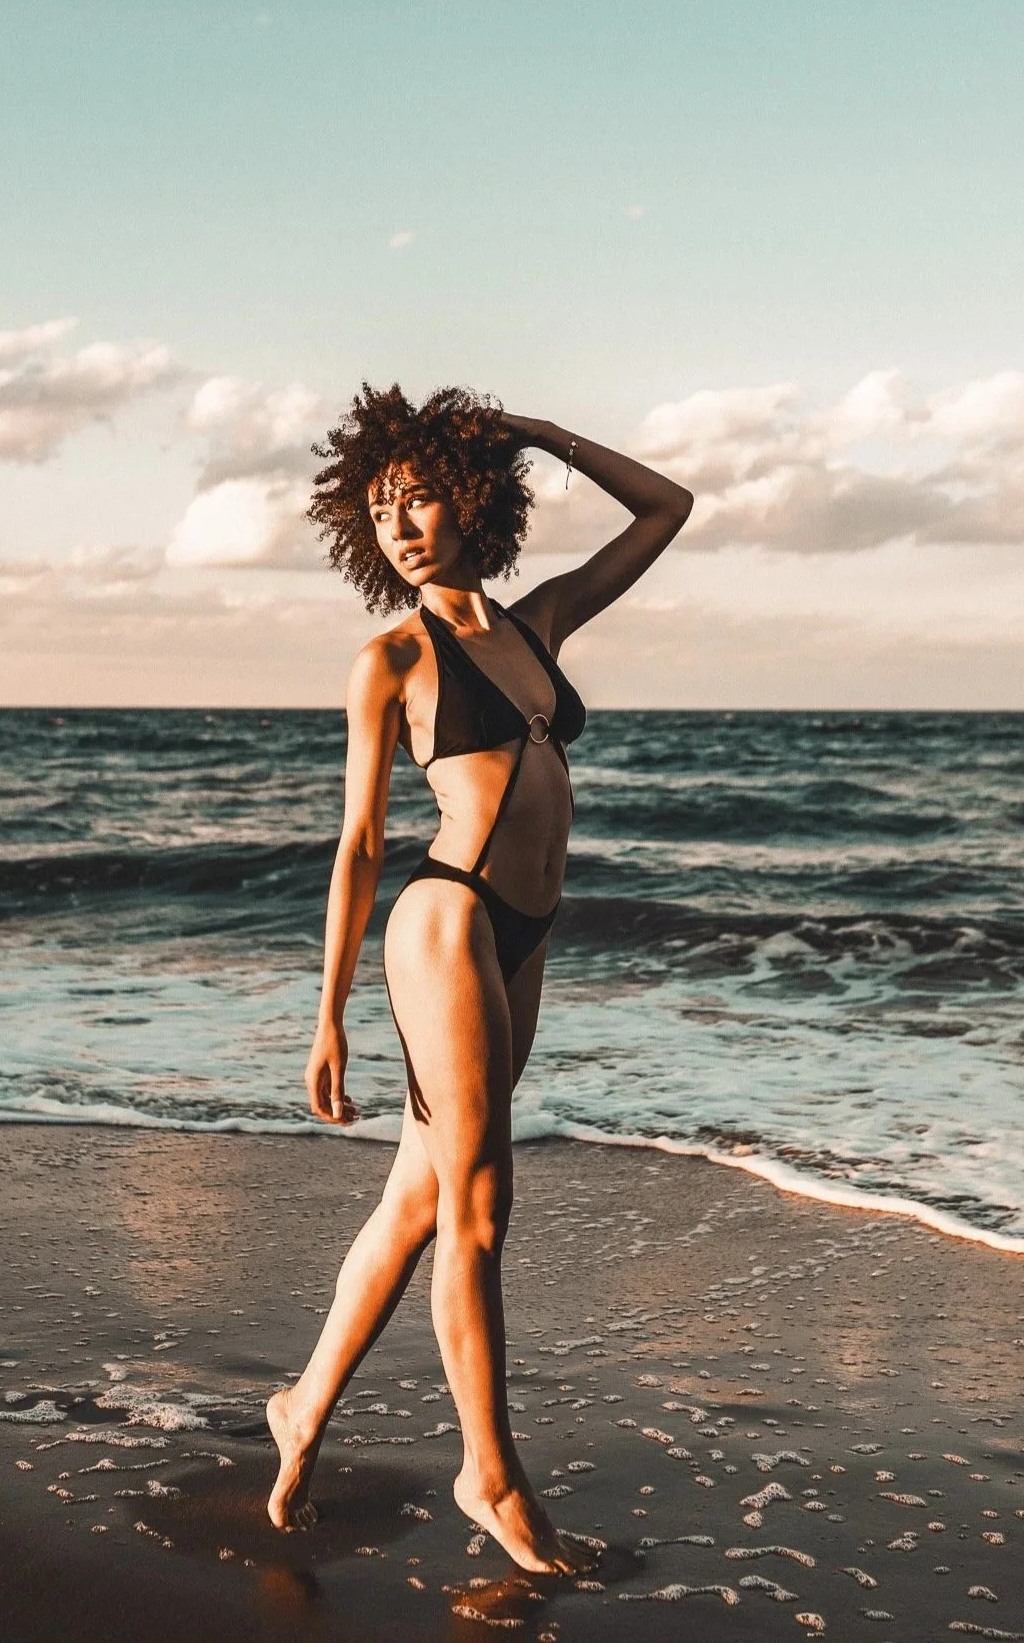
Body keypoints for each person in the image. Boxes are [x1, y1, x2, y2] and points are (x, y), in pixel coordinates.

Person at [266, 384, 692, 1573]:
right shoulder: (391, 658)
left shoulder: (540, 624)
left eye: (421, 495)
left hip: (527, 932)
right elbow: (357, 845)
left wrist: (539, 436)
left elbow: (667, 507)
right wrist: (331, 1016)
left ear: (476, 499)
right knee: (482, 1204)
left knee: (419, 1199)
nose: (401, 523)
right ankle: (487, 1472)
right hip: (446, 922)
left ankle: (302, 1409)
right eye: (380, 508)